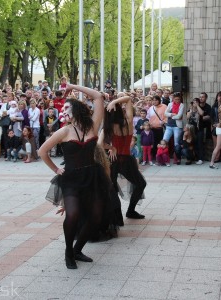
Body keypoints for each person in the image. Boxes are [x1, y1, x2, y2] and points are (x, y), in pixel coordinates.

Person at [39, 84, 107, 269]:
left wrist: (72, 86)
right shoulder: (64, 131)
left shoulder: (93, 125)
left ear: (76, 109)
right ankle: (69, 252)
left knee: (95, 217)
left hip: (92, 176)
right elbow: (42, 151)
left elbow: (98, 97)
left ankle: (78, 249)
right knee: (73, 214)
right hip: (71, 180)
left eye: (66, 107)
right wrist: (56, 169)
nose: (63, 110)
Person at [101, 93, 147, 219]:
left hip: (113, 160)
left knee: (113, 187)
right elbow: (128, 99)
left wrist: (111, 148)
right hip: (126, 159)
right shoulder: (129, 122)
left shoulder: (108, 127)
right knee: (140, 183)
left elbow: (99, 145)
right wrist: (114, 102)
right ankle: (130, 211)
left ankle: (117, 215)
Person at [163, 92, 185, 158]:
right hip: (169, 125)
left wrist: (171, 115)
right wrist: (173, 114)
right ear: (173, 99)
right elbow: (165, 113)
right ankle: (164, 156)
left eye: (178, 99)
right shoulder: (170, 104)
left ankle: (177, 158)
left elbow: (179, 116)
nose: (177, 101)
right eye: (175, 99)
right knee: (164, 140)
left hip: (177, 126)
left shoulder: (182, 105)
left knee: (176, 143)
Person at [195, 92, 212, 165]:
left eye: (203, 97)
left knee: (202, 143)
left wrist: (200, 118)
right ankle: (196, 157)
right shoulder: (195, 105)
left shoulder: (208, 107)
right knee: (196, 143)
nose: (201, 98)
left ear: (206, 98)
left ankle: (202, 158)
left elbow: (209, 117)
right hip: (195, 127)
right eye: (200, 97)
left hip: (204, 128)